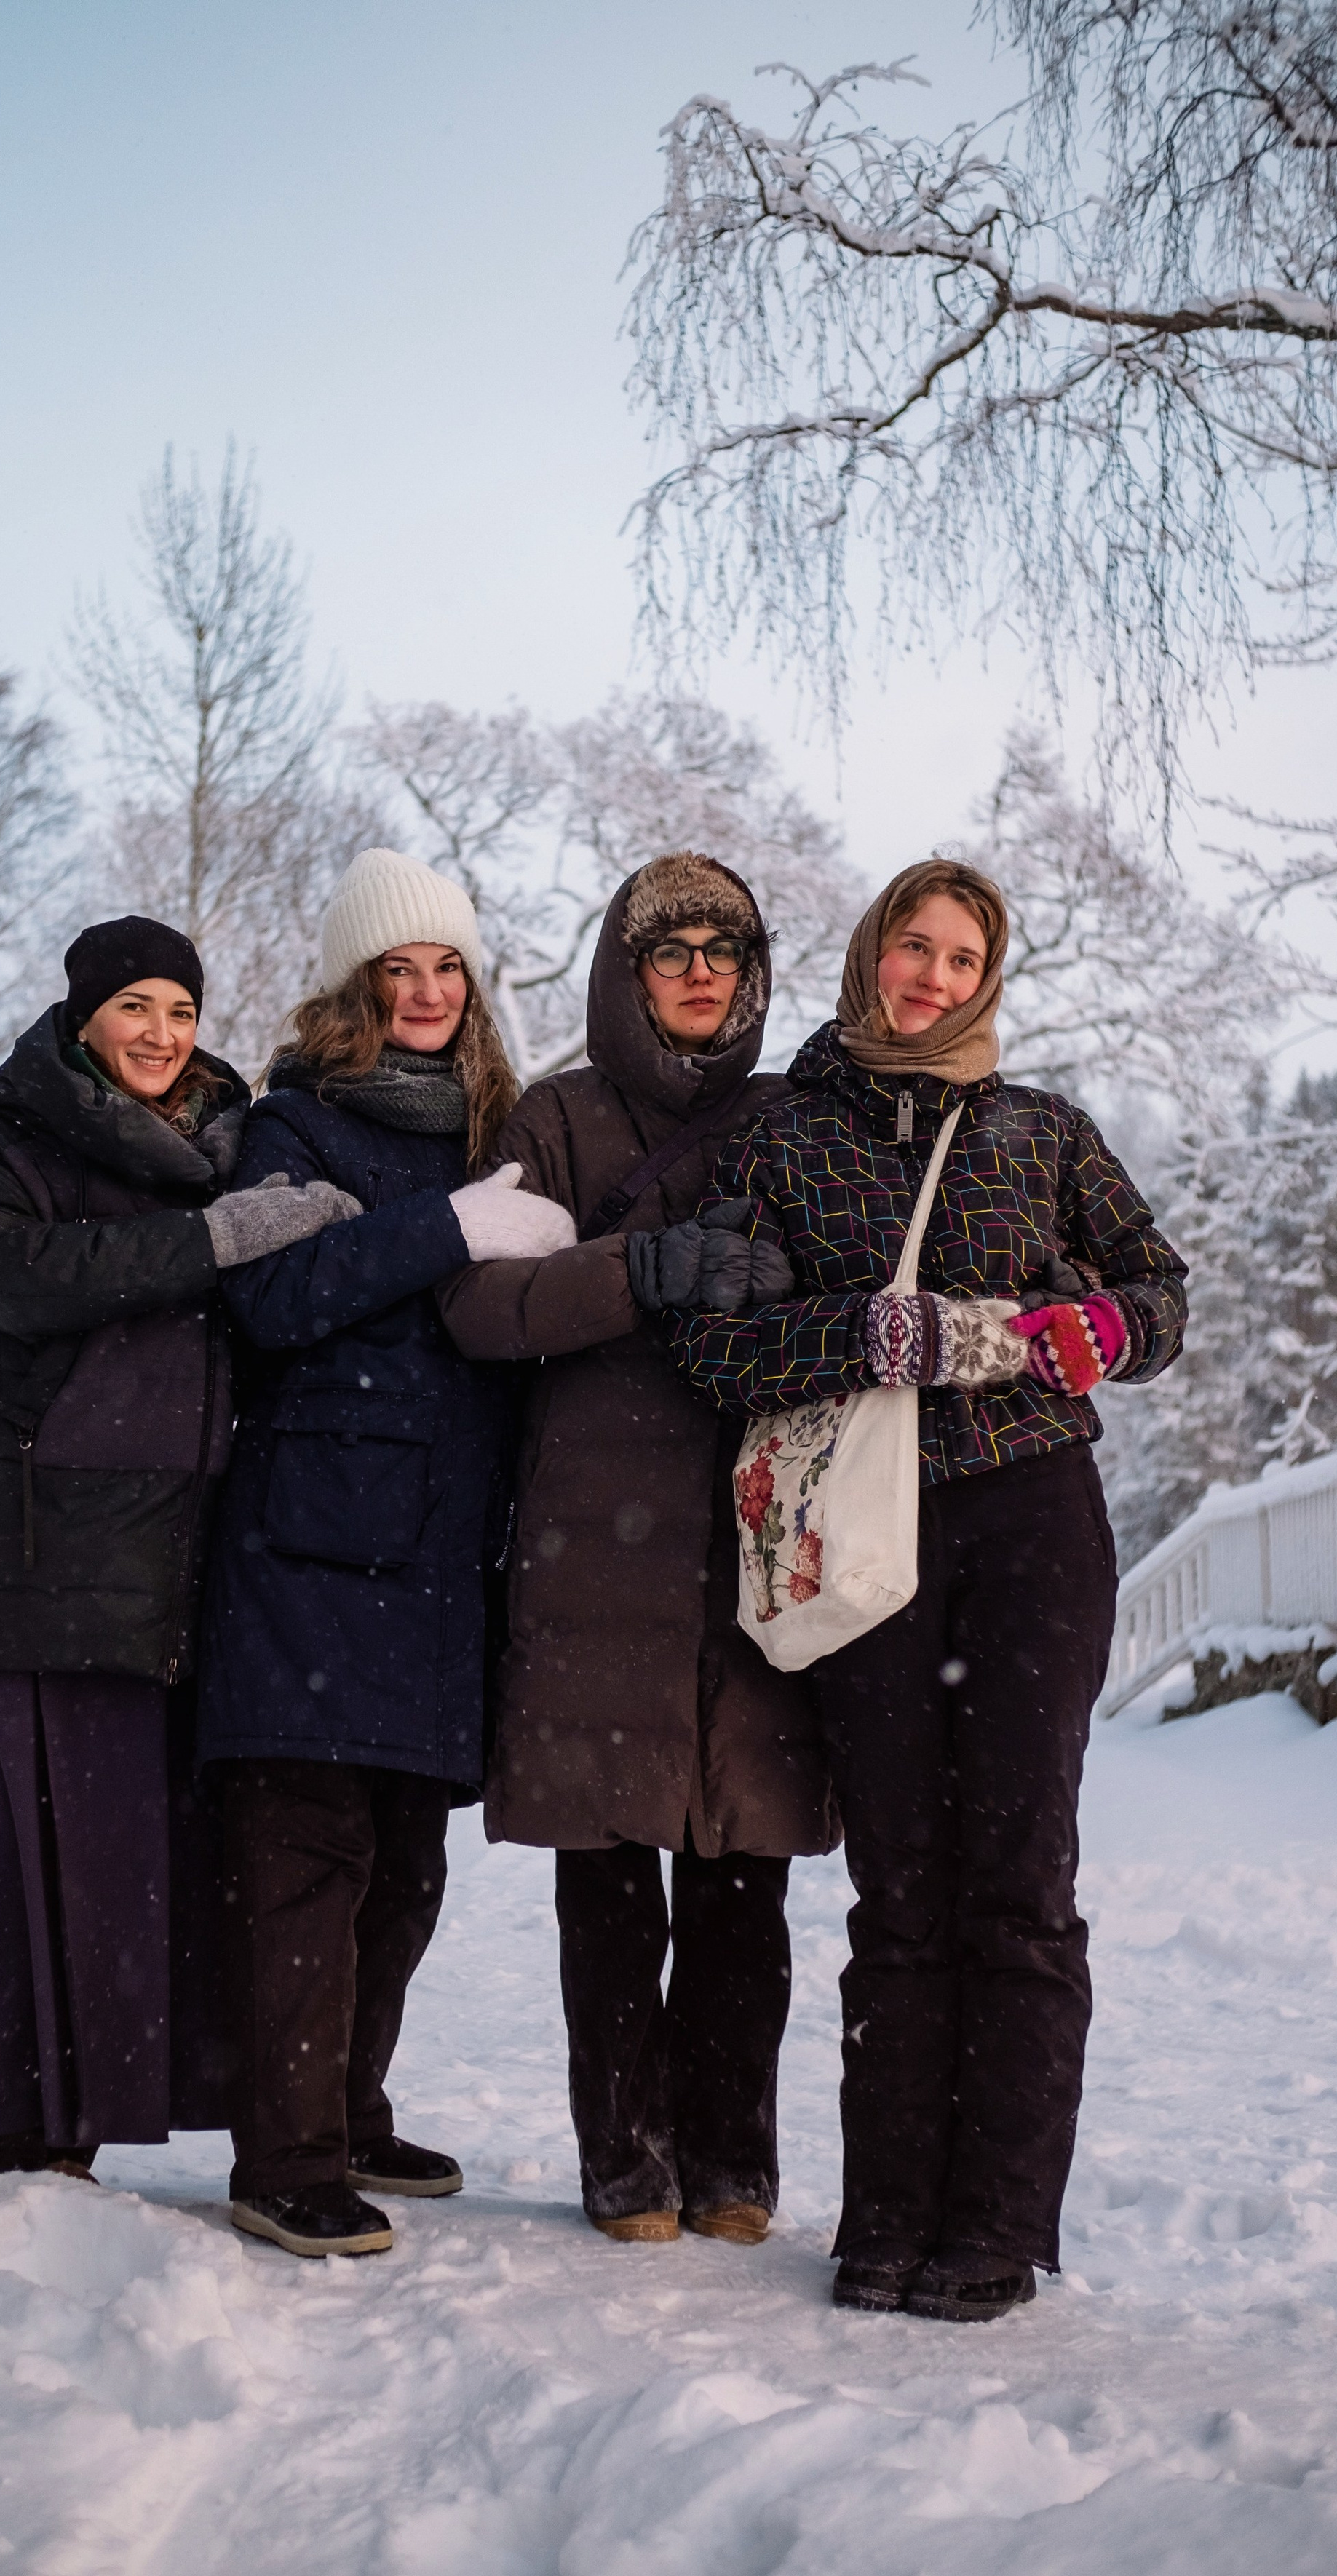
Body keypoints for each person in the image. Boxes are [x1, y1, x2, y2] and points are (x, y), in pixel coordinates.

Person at [673, 858, 1188, 2322]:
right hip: (863, 1536)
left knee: (1016, 1886)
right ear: (870, 954)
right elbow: (715, 1348)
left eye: (964, 959)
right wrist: (873, 1337)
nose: (934, 978)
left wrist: (1107, 1324)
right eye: (915, 946)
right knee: (898, 1892)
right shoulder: (779, 1136)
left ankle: (995, 2230)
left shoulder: (1040, 1136)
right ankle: (885, 2217)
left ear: (987, 980)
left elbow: (1158, 1292)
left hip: (1030, 1525)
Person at [0, 915, 360, 2187]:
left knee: (116, 1874)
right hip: (32, 1562)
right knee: (6, 1859)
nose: (161, 1034)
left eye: (182, 1013)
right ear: (83, 1015)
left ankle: (74, 2139)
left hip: (177, 1572)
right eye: (136, 1007)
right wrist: (223, 1240)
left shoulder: (217, 1158)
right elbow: (28, 1280)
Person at [440, 851, 837, 2246]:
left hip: (758, 1545)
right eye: (672, 954)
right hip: (594, 1553)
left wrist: (801, 1279)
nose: (701, 976)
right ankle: (625, 2161)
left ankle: (734, 2162)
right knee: (609, 1883)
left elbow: (863, 1283)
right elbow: (478, 1304)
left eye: (724, 954)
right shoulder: (554, 1122)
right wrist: (641, 1271)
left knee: (747, 1885)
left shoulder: (804, 1117)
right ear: (627, 972)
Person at [197, 848, 576, 2259]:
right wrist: (448, 1230)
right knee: (304, 1858)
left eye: (445, 968)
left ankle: (346, 2111)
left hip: (437, 1568)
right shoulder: (291, 1128)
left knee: (405, 1864)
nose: (424, 991)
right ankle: (279, 2157)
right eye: (396, 969)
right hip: (303, 1553)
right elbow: (274, 1292)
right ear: (358, 988)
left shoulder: (492, 1131)